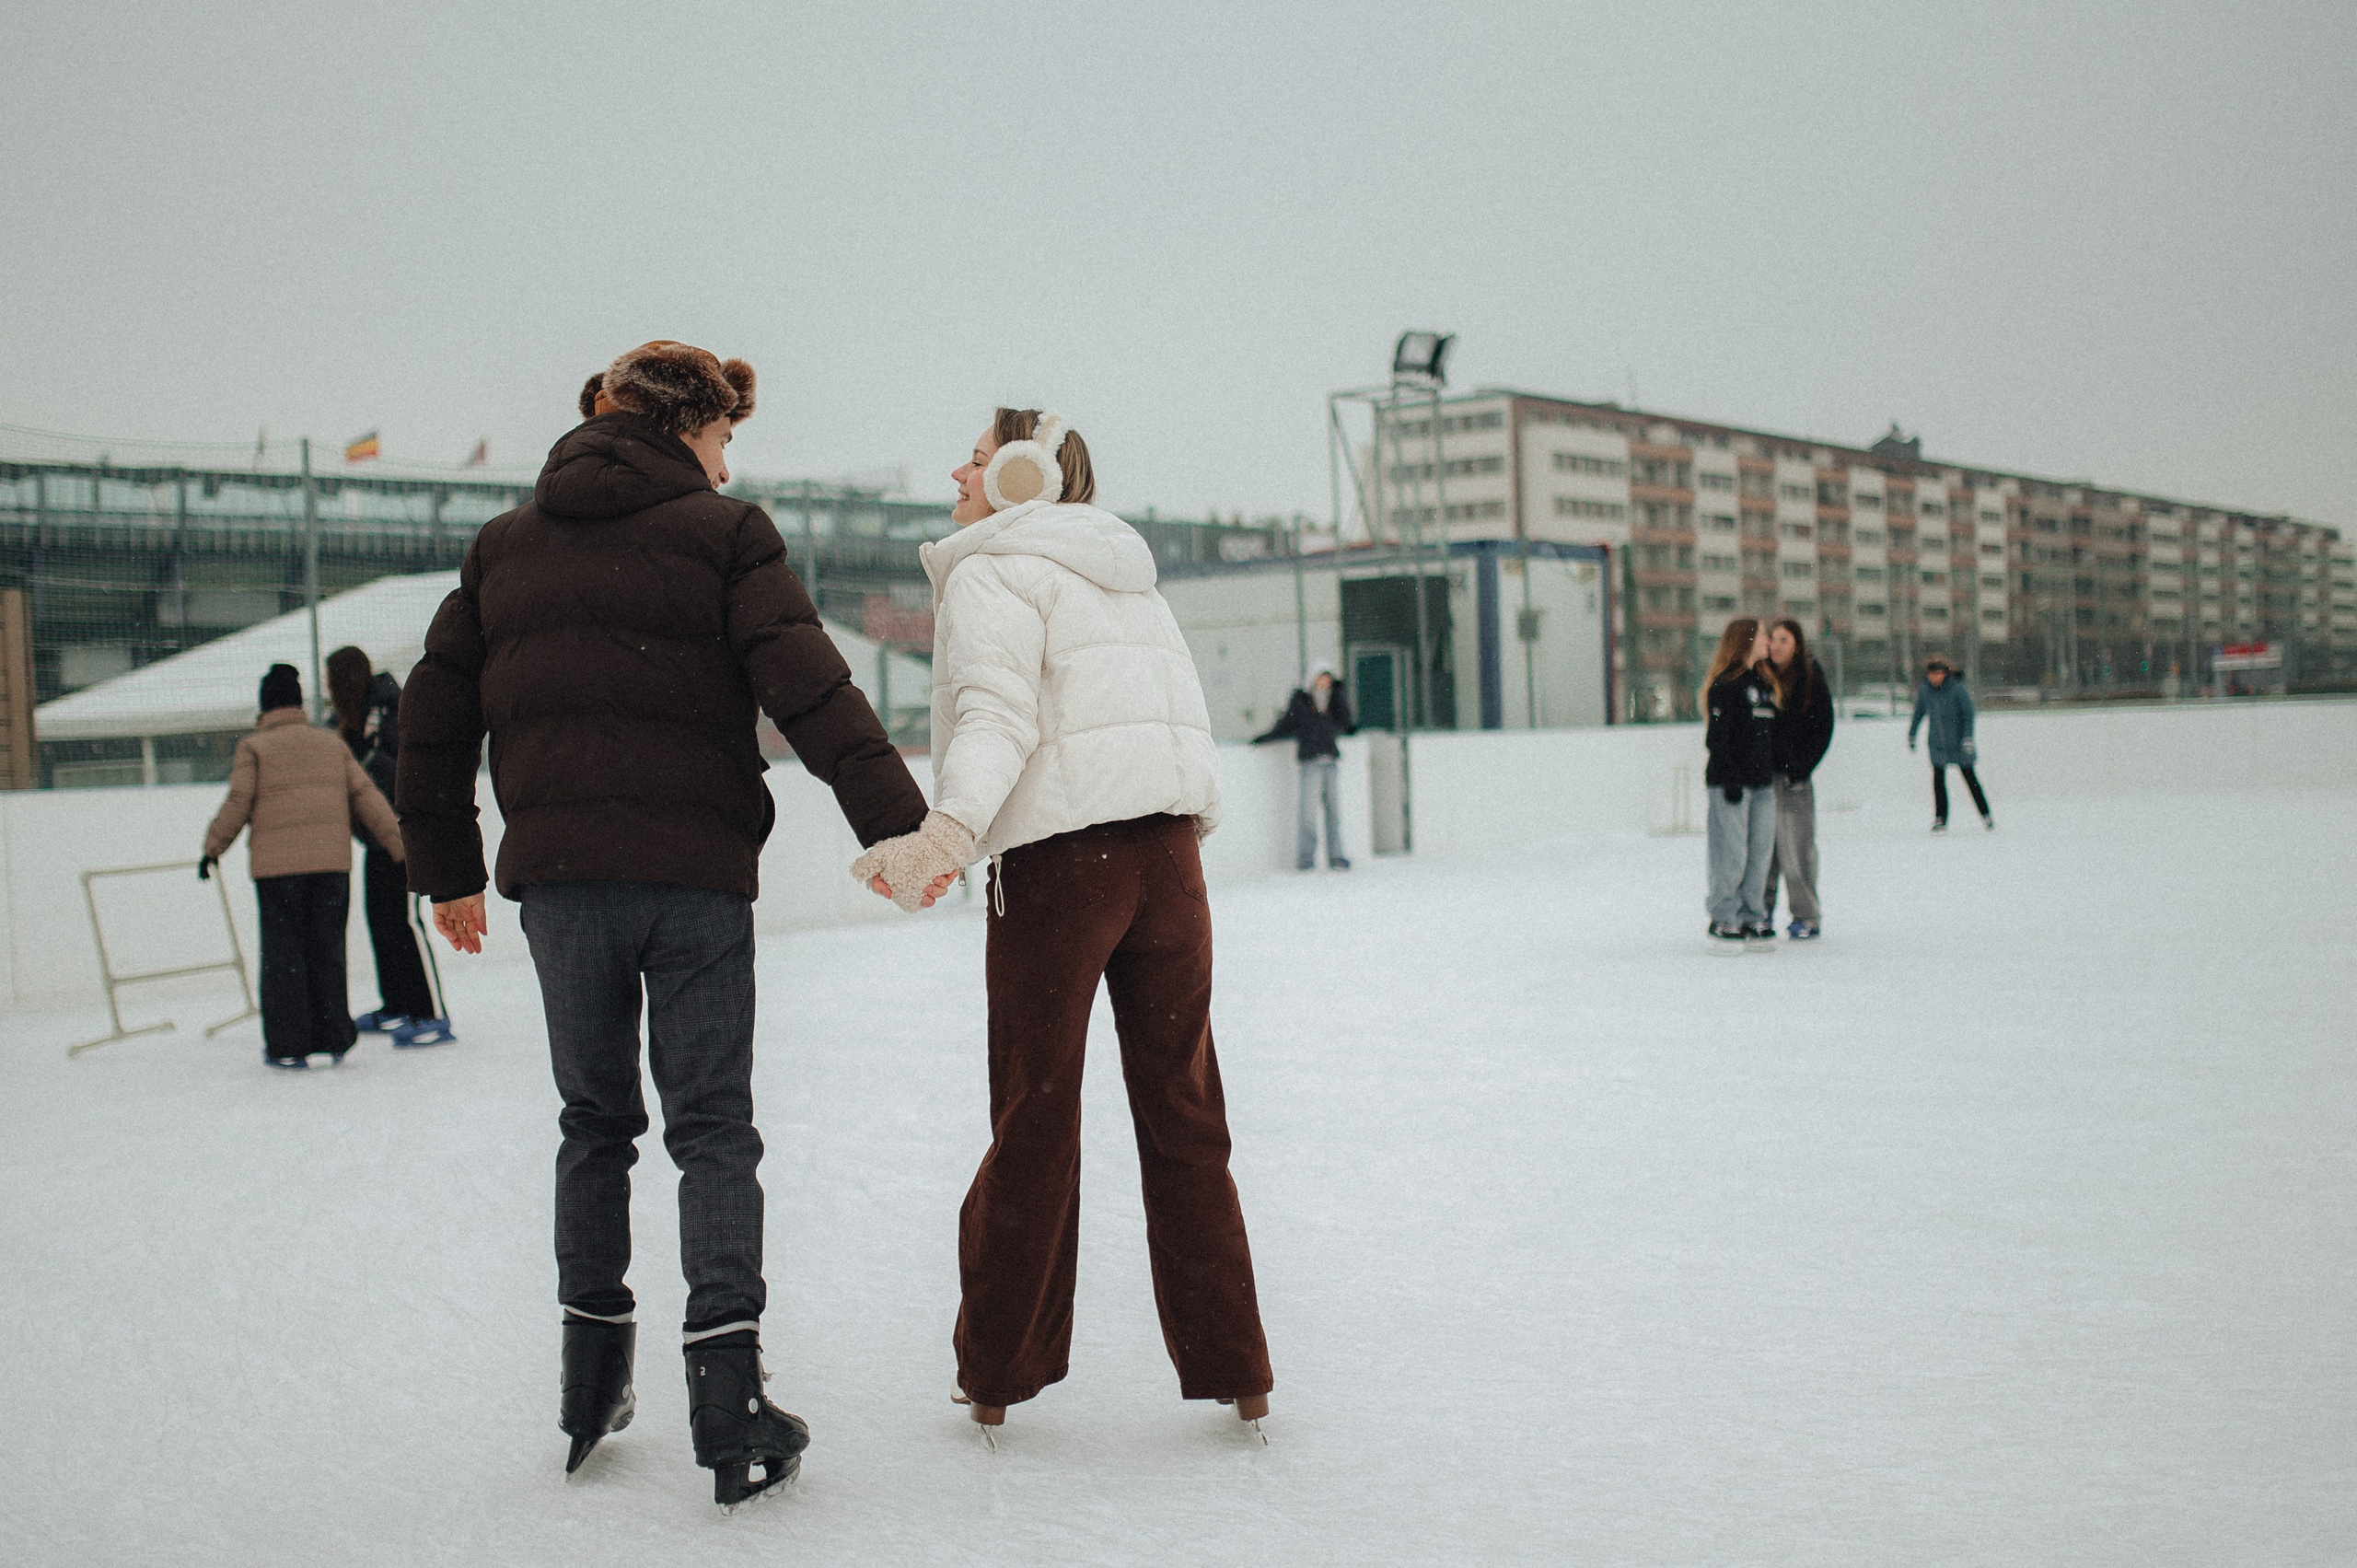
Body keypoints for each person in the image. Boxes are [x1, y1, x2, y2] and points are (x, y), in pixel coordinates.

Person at [397, 341, 929, 1508]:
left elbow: (432, 713)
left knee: (593, 1122)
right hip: (693, 881)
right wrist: (896, 824)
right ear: (688, 422)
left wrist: (448, 870)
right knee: (712, 1130)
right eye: (725, 436)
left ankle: (591, 1379)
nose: (728, 462)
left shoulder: (503, 546)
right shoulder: (725, 534)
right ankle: (727, 1394)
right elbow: (810, 683)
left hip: (564, 885)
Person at [851, 408, 1274, 1435]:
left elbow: (996, 717)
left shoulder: (994, 569)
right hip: (1169, 861)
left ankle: (997, 1370)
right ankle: (1239, 1367)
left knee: (1034, 1115)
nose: (957, 472)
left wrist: (947, 832)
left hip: (1060, 869)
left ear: (1019, 475)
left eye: (976, 459)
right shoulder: (1128, 574)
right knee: (1184, 1112)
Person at [201, 663, 405, 1067]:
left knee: (284, 957)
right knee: (328, 951)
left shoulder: (254, 747)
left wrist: (212, 848)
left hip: (277, 873)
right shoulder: (330, 744)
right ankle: (334, 1037)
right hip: (330, 868)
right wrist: (398, 845)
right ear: (299, 704)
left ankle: (289, 1045)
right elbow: (367, 796)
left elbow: (238, 802)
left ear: (264, 706)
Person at [326, 646, 449, 1045]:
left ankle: (431, 1013)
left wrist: (367, 755)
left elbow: (406, 776)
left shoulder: (392, 711)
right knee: (380, 920)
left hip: (407, 832)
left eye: (331, 679)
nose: (327, 688)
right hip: (377, 838)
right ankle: (396, 1003)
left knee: (404, 921)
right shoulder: (343, 721)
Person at [1701, 618, 1780, 950]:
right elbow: (1717, 738)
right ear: (1746, 639)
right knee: (1731, 853)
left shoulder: (1762, 684)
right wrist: (1731, 777)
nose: (1769, 641)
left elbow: (1768, 736)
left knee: (1759, 854)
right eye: (1763, 635)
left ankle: (1752, 915)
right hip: (1731, 784)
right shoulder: (1726, 684)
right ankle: (1724, 916)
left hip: (1761, 784)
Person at [1762, 617, 1834, 940]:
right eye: (1773, 639)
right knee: (1763, 849)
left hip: (1794, 781)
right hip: (1763, 779)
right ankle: (1761, 909)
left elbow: (1823, 728)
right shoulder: (1760, 677)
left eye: (1784, 640)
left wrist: (1802, 767)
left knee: (1797, 849)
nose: (1776, 646)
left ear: (1797, 645)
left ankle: (1806, 915)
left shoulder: (1810, 679)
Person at [1252, 660, 1356, 870]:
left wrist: (1338, 695)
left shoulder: (1333, 701)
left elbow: (1346, 722)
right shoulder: (1301, 702)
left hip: (1330, 761)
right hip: (1310, 762)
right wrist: (1265, 738)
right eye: (1321, 678)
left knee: (1333, 812)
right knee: (1308, 813)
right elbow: (1286, 725)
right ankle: (1306, 857)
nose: (1324, 683)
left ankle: (1336, 855)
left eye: (1328, 679)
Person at [1908, 656, 1992, 831]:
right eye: (1932, 674)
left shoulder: (1957, 689)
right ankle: (1940, 818)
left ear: (1945, 674)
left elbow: (1968, 714)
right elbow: (1919, 713)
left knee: (1970, 778)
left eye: (1938, 674)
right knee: (1938, 780)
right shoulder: (1925, 691)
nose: (1935, 678)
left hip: (1959, 743)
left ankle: (1985, 814)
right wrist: (1912, 734)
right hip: (1937, 743)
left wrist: (1967, 738)